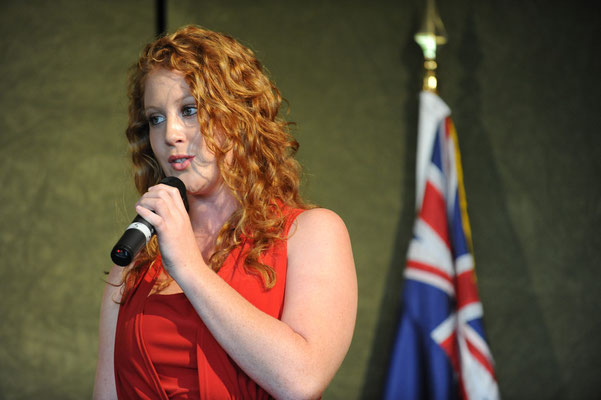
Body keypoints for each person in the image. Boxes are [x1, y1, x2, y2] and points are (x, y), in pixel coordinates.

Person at [93, 25, 357, 400]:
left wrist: (189, 267)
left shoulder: (312, 233)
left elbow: (301, 380)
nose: (170, 134)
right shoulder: (135, 256)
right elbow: (107, 393)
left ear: (239, 115)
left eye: (189, 110)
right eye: (156, 118)